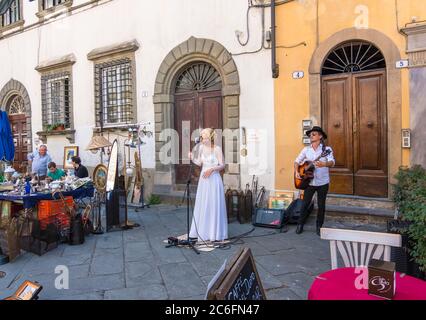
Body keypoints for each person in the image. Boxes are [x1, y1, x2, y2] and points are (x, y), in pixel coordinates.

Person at [188, 128, 228, 243]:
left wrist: (212, 169)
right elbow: (200, 163)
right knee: (204, 203)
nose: (201, 137)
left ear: (209, 136)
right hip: (204, 180)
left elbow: (222, 165)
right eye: (201, 135)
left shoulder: (217, 149)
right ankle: (203, 231)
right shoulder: (200, 148)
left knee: (213, 204)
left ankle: (214, 232)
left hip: (214, 180)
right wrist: (192, 158)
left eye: (204, 135)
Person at [294, 126, 335, 236]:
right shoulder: (306, 149)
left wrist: (325, 164)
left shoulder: (327, 150)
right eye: (310, 134)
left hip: (323, 182)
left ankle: (319, 226)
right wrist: (297, 172)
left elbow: (332, 162)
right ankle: (300, 224)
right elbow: (297, 161)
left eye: (314, 134)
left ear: (320, 136)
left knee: (321, 205)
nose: (311, 136)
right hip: (309, 182)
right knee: (305, 204)